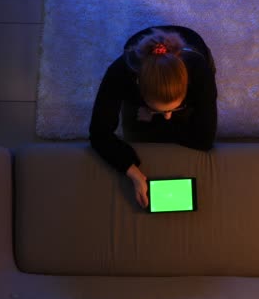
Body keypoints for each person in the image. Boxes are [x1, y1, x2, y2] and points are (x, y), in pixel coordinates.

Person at [89, 26, 218, 209]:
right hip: (137, 44)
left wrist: (157, 120)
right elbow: (98, 134)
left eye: (176, 107)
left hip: (193, 42)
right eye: (158, 111)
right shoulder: (119, 73)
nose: (166, 117)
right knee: (135, 130)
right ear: (139, 91)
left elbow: (204, 139)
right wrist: (132, 171)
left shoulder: (199, 71)